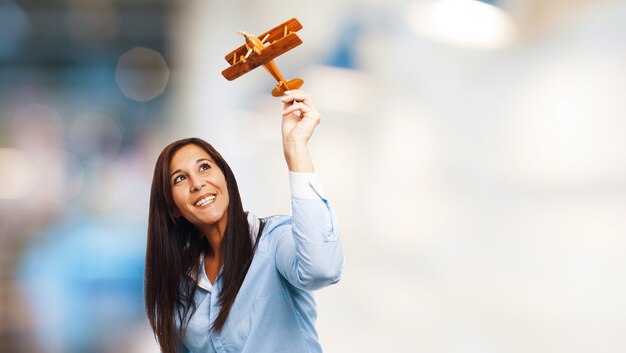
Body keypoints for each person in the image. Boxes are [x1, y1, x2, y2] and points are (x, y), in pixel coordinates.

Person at [144, 90, 344, 353]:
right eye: (180, 179)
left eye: (204, 167)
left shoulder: (273, 241)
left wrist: (296, 149)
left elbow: (322, 269)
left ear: (225, 176)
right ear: (172, 207)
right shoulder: (179, 286)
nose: (197, 183)